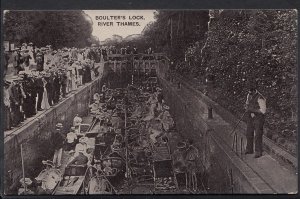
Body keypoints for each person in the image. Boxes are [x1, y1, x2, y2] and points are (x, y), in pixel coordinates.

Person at [244, 81, 267, 158]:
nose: (249, 93)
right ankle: (249, 149)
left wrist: (252, 110)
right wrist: (247, 107)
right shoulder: (249, 95)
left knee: (257, 135)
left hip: (258, 118)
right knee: (248, 133)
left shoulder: (260, 98)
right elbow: (247, 103)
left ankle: (258, 151)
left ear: (254, 90)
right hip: (251, 117)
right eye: (249, 92)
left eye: (251, 92)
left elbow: (263, 111)